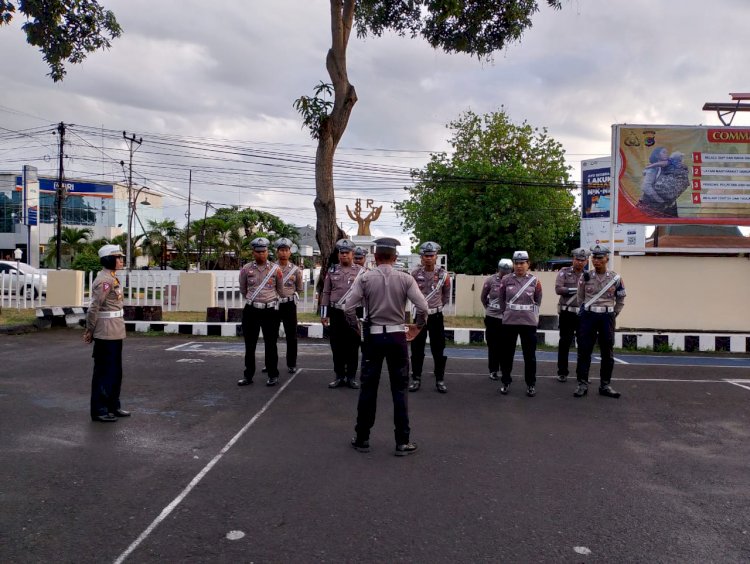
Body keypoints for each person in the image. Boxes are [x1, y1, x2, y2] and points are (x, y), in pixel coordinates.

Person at [345, 237, 429, 456]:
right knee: (400, 390)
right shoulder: (405, 279)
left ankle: (362, 437)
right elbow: (423, 307)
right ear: (394, 257)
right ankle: (402, 441)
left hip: (373, 338)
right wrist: (417, 327)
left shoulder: (365, 278)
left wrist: (357, 330)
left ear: (375, 256)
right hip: (397, 337)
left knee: (368, 389)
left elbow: (348, 308)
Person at [84, 244, 129, 423]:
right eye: (117, 257)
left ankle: (113, 406)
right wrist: (90, 330)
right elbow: (94, 307)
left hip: (116, 330)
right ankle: (99, 410)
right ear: (109, 259)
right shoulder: (104, 280)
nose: (121, 260)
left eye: (121, 257)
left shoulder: (112, 278)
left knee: (116, 372)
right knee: (104, 373)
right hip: (106, 331)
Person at [574, 245, 626, 399]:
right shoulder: (585, 277)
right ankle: (582, 384)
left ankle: (605, 385)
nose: (596, 261)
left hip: (607, 318)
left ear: (606, 259)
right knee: (584, 351)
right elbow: (580, 297)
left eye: (600, 258)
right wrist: (586, 312)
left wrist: (613, 313)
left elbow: (621, 298)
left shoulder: (616, 278)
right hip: (589, 317)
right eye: (594, 258)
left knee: (607, 352)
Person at [238, 237, 284, 387]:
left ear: (267, 252)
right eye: (258, 252)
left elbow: (280, 289)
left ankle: (273, 375)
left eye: (263, 251)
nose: (261, 254)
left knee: (271, 344)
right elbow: (243, 289)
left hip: (270, 311)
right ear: (253, 252)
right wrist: (254, 300)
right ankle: (248, 375)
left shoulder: (275, 269)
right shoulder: (246, 269)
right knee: (249, 345)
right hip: (251, 310)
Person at [497, 250, 542, 397]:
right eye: (516, 263)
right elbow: (501, 299)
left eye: (522, 263)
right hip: (510, 321)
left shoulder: (535, 281)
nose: (519, 266)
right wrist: (507, 313)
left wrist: (533, 318)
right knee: (506, 354)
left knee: (529, 356)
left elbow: (538, 300)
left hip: (528, 322)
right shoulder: (505, 280)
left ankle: (531, 384)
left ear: (528, 264)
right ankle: (505, 381)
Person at [408, 241, 451, 393]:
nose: (428, 258)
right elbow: (410, 294)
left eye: (431, 255)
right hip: (419, 316)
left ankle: (440, 379)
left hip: (436, 316)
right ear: (421, 258)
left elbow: (446, 295)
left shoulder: (443, 275)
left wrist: (436, 308)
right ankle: (416, 378)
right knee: (417, 348)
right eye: (425, 256)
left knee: (438, 348)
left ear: (436, 257)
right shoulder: (414, 274)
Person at [320, 239, 364, 389]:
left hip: (354, 313)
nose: (344, 255)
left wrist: (364, 316)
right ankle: (339, 376)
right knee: (337, 346)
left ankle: (351, 377)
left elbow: (366, 295)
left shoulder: (361, 272)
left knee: (353, 346)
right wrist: (324, 314)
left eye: (347, 253)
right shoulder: (332, 271)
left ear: (352, 254)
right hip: (336, 313)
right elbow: (326, 292)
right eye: (341, 253)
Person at [554, 247, 589, 382]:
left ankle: (582, 374)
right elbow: (558, 289)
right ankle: (562, 372)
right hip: (567, 313)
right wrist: (579, 289)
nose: (579, 262)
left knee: (584, 345)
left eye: (582, 260)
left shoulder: (589, 275)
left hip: (582, 315)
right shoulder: (564, 272)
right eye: (577, 259)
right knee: (565, 343)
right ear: (573, 260)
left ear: (586, 261)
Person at [274, 238, 304, 374]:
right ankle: (270, 362)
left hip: (289, 304)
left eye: (286, 250)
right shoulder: (271, 268)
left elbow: (299, 288)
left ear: (290, 252)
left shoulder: (296, 270)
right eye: (281, 250)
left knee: (291, 335)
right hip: (273, 305)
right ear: (277, 252)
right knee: (271, 336)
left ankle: (291, 363)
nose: (284, 253)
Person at [481, 258, 512, 381]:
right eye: (503, 270)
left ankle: (505, 371)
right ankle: (493, 370)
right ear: (499, 269)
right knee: (493, 345)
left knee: (506, 347)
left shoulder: (513, 280)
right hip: (492, 317)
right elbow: (483, 297)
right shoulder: (491, 280)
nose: (505, 272)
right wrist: (489, 308)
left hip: (507, 318)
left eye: (508, 270)